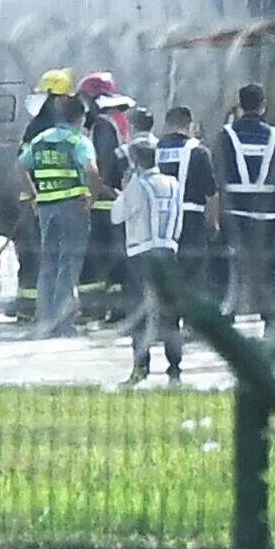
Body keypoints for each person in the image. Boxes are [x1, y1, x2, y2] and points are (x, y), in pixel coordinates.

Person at [16, 94, 104, 337]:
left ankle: (42, 320)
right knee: (69, 265)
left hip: (46, 209)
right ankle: (62, 324)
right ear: (81, 117)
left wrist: (33, 195)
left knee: (48, 265)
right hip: (73, 208)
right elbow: (92, 171)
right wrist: (92, 197)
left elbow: (20, 166)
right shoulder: (79, 141)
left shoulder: (40, 139)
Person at [215, 83, 275, 331]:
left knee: (231, 265)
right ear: (263, 105)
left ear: (240, 105)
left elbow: (217, 175)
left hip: (234, 212)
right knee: (267, 267)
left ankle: (226, 317)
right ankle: (270, 319)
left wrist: (215, 213)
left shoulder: (225, 136)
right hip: (266, 214)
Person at [112, 137, 185, 388]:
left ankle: (140, 367)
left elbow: (116, 216)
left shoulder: (137, 185)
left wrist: (123, 189)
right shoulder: (173, 183)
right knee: (170, 314)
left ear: (135, 162)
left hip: (141, 255)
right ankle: (174, 369)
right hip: (168, 252)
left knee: (139, 312)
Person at [12, 68, 77, 319]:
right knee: (42, 255)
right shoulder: (50, 130)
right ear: (59, 98)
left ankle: (31, 309)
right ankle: (37, 309)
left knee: (35, 255)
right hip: (46, 201)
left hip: (39, 200)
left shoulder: (36, 126)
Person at [78, 71, 135, 321]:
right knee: (116, 258)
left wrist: (94, 191)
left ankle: (93, 309)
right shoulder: (118, 122)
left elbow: (101, 164)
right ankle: (119, 309)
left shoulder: (101, 126)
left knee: (92, 259)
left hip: (102, 200)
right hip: (118, 198)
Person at [157, 106, 221, 300]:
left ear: (167, 124)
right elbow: (211, 192)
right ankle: (192, 320)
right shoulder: (199, 152)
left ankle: (168, 322)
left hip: (160, 219)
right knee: (192, 273)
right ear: (189, 125)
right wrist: (213, 222)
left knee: (166, 271)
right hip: (190, 218)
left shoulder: (155, 150)